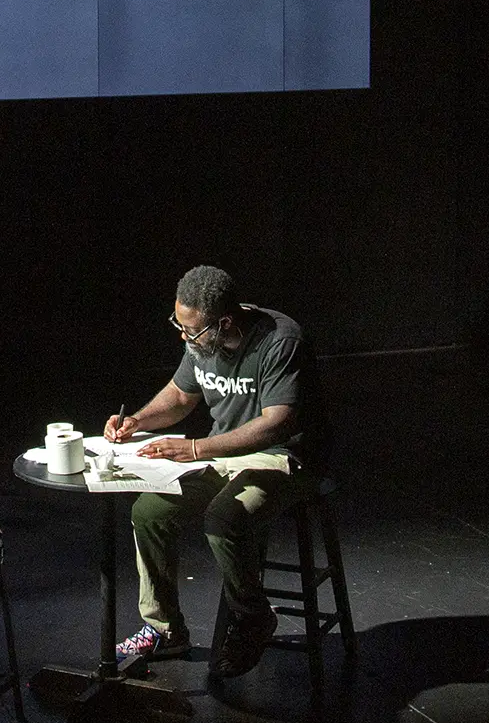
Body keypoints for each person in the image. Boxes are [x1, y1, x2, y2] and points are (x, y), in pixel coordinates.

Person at [102, 265, 329, 678]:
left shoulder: (280, 340)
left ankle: (252, 618)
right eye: (179, 325)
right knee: (149, 512)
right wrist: (138, 420)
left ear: (223, 322)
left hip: (283, 458)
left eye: (190, 330)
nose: (183, 337)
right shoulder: (202, 342)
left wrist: (194, 448)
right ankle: (165, 629)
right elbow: (180, 395)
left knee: (225, 517)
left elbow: (277, 423)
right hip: (223, 456)